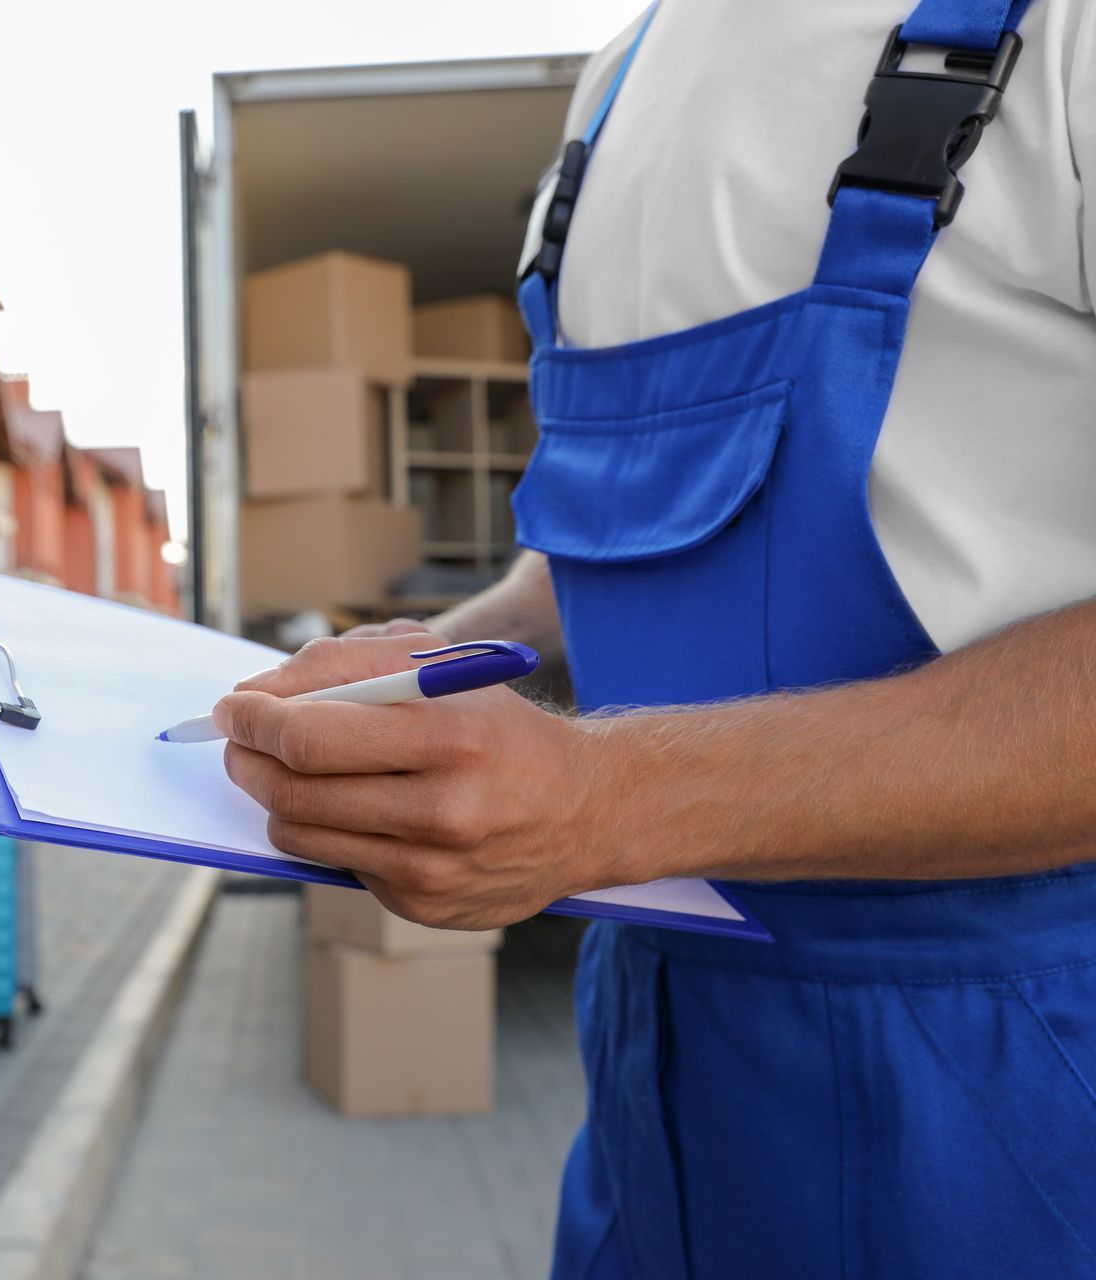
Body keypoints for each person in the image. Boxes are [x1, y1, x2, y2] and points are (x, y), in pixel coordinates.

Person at [218, 1, 1096, 1275]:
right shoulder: (616, 89)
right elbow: (613, 543)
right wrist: (414, 675)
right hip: (658, 1092)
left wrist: (613, 798)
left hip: (1012, 1110)